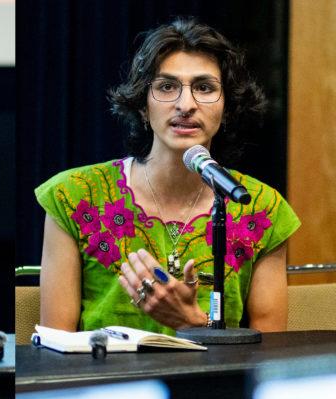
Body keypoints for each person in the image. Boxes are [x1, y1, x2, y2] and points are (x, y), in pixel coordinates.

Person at [35, 18, 300, 335]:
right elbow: (55, 346)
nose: (185, 105)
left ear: (227, 108)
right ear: (143, 106)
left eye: (204, 88)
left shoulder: (261, 209)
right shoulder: (74, 195)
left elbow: (270, 354)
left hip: (216, 370)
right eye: (166, 87)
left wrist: (194, 323)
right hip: (104, 368)